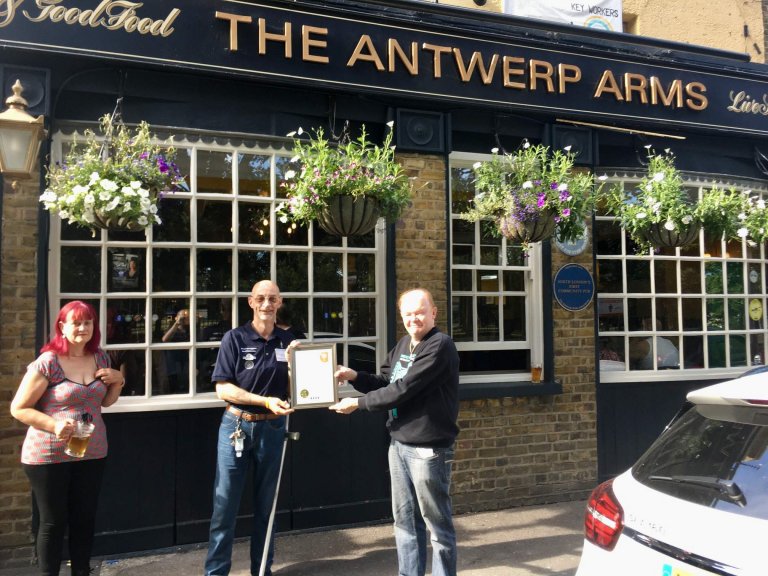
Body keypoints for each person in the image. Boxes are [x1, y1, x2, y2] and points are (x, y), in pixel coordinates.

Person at [330, 288, 460, 576]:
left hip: (428, 449)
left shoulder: (440, 346)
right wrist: (354, 376)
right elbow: (387, 381)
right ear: (402, 316)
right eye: (408, 313)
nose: (415, 318)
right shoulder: (404, 345)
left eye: (420, 312)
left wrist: (358, 404)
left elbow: (403, 390)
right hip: (399, 444)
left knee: (437, 527)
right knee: (404, 523)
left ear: (434, 312)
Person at [10, 301, 125, 576]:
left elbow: (105, 402)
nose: (83, 328)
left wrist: (118, 381)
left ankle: (81, 572)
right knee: (52, 522)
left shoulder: (100, 358)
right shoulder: (48, 362)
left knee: (84, 519)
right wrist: (54, 425)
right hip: (48, 453)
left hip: (92, 451)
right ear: (62, 327)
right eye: (76, 322)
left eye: (88, 322)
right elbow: (19, 408)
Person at [204, 280, 298, 576]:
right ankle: (216, 572)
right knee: (224, 509)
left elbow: (296, 390)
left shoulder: (288, 341)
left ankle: (262, 571)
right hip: (237, 427)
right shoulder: (235, 338)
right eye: (261, 298)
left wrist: (298, 366)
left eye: (272, 298)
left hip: (273, 429)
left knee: (266, 509)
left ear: (280, 302)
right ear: (251, 302)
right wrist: (265, 401)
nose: (267, 304)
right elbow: (223, 389)